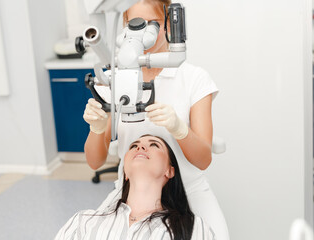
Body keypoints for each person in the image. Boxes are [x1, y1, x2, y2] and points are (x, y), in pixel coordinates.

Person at [83, 0, 230, 239]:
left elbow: (203, 160)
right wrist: (97, 129)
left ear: (169, 27)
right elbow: (94, 162)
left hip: (188, 189)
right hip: (132, 191)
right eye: (133, 25)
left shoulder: (194, 78)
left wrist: (180, 130)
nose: (140, 34)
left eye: (152, 24)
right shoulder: (114, 78)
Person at [55, 135, 215, 239]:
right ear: (124, 172)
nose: (141, 147)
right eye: (133, 146)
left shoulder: (191, 229)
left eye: (154, 145)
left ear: (170, 171)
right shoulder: (83, 221)